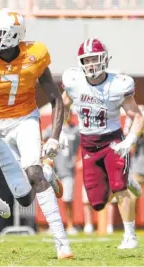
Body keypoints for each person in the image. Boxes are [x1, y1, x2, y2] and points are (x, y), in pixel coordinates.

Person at [0, 8, 72, 259]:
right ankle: (47, 171)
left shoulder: (35, 55)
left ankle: (61, 242)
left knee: (33, 173)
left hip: (26, 118)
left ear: (13, 36)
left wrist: (55, 136)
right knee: (24, 199)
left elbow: (57, 100)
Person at [61, 37, 143, 249]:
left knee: (119, 187)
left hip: (112, 140)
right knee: (96, 203)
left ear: (105, 59)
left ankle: (130, 236)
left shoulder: (118, 84)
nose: (91, 64)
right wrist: (59, 131)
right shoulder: (74, 81)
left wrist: (130, 140)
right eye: (87, 60)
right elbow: (63, 106)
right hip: (88, 143)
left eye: (95, 59)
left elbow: (137, 116)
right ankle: (126, 183)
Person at [42, 110, 80, 235]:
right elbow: (42, 138)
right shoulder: (53, 128)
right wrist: (46, 156)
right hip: (54, 169)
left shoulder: (75, 130)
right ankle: (53, 226)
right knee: (51, 199)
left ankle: (70, 225)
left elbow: (82, 145)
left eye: (67, 113)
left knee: (68, 198)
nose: (66, 116)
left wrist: (77, 160)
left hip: (68, 169)